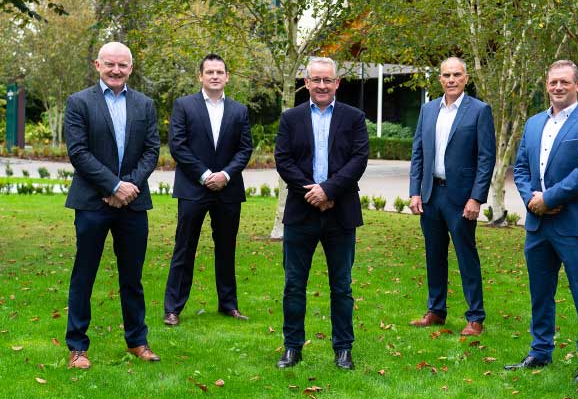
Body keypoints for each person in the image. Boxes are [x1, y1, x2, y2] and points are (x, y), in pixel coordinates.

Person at [506, 60, 578, 382]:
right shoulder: (533, 123)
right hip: (538, 225)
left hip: (575, 225)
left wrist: (548, 198)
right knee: (540, 293)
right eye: (553, 82)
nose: (558, 87)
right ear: (547, 85)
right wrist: (531, 200)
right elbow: (520, 168)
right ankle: (540, 351)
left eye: (565, 82)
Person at [63, 42, 161, 369]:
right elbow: (78, 152)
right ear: (97, 65)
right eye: (110, 64)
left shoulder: (145, 104)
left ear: (131, 68)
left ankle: (137, 341)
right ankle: (77, 347)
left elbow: (151, 150)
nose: (116, 70)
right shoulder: (79, 102)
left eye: (122, 65)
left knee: (132, 277)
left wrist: (127, 187)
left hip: (133, 204)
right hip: (92, 203)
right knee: (84, 275)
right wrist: (113, 186)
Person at [274, 57, 369, 370]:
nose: (322, 85)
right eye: (316, 79)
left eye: (328, 80)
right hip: (301, 213)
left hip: (341, 213)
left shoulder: (354, 117)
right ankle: (292, 348)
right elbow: (283, 160)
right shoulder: (291, 118)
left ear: (337, 83)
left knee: (341, 287)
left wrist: (328, 190)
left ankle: (343, 349)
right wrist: (312, 192)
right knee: (293, 285)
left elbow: (359, 159)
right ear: (306, 82)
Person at [163, 54, 253, 326]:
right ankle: (173, 309)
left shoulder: (239, 110)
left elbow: (244, 149)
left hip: (228, 189)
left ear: (227, 77)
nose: (215, 76)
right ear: (200, 76)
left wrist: (225, 175)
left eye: (220, 72)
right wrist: (204, 175)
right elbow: (178, 145)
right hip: (193, 188)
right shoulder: (184, 106)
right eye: (210, 72)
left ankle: (228, 304)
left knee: (226, 248)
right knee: (184, 247)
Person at [408, 57, 495, 337]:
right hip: (431, 194)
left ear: (466, 78)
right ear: (440, 79)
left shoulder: (479, 111)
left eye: (457, 74)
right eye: (446, 75)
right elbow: (418, 153)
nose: (451, 79)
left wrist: (476, 198)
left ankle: (475, 317)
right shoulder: (428, 109)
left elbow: (486, 159)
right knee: (434, 255)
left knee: (466, 256)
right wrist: (414, 192)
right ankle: (436, 310)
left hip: (461, 198)